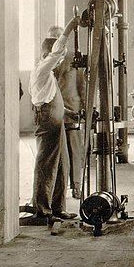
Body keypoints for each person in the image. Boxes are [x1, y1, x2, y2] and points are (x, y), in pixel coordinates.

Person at [27, 16, 80, 228]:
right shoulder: (41, 70)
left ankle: (58, 207)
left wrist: (70, 113)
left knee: (62, 164)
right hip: (48, 121)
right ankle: (42, 210)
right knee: (47, 165)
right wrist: (70, 26)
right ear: (47, 55)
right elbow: (57, 50)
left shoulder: (48, 76)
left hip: (57, 118)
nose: (59, 61)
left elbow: (51, 99)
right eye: (57, 58)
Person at [55, 52, 87, 199]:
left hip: (72, 109)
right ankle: (59, 188)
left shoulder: (73, 60)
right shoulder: (49, 61)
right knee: (58, 151)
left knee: (74, 150)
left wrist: (86, 108)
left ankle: (76, 186)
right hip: (55, 110)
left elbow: (82, 86)